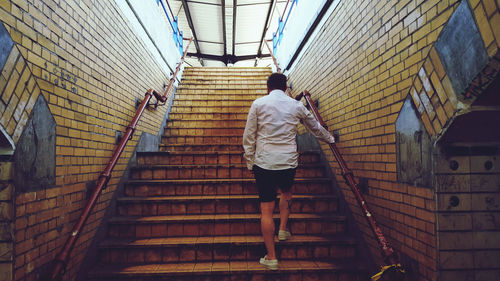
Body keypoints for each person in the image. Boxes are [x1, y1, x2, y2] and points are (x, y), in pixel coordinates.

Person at [242, 73, 336, 270]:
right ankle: (283, 229)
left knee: (266, 210)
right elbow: (314, 127)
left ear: (268, 88)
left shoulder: (258, 104)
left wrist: (250, 161)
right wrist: (331, 139)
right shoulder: (296, 105)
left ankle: (272, 257)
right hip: (288, 161)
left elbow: (249, 136)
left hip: (265, 162)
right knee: (286, 193)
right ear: (286, 88)